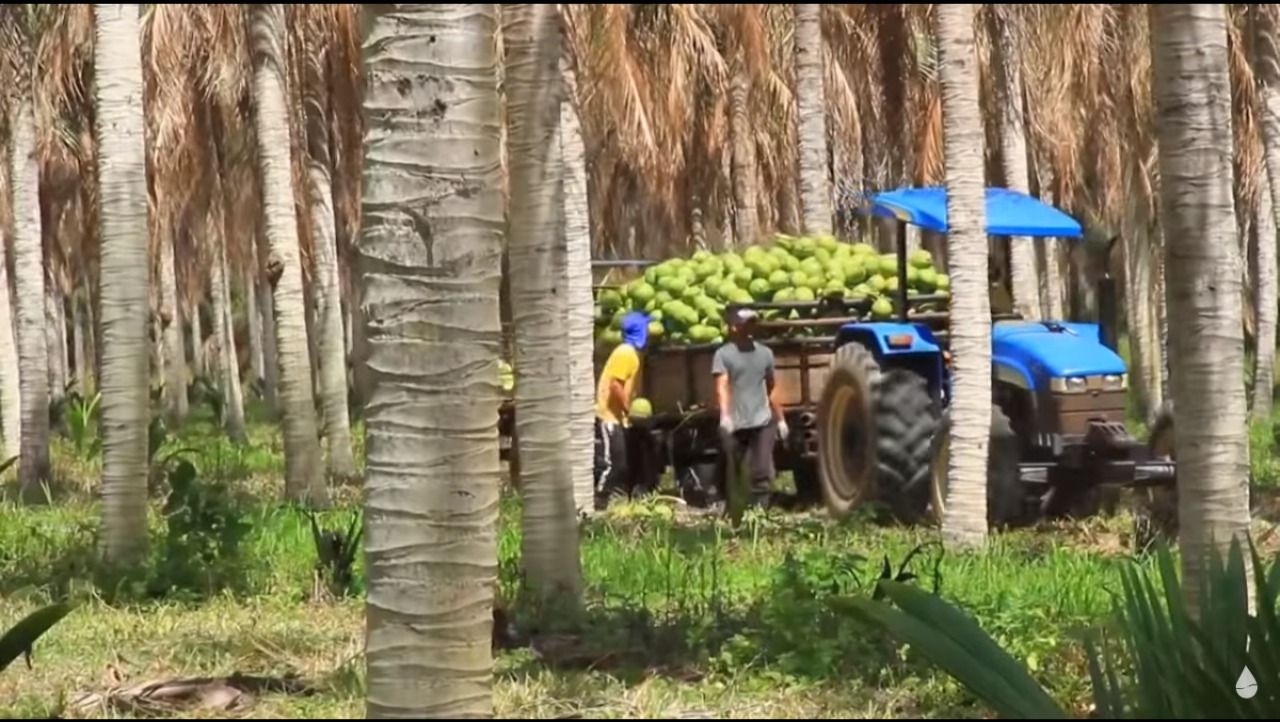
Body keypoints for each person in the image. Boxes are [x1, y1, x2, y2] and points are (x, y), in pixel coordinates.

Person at [712, 307, 789, 510]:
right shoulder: (723, 354)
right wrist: (725, 416)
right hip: (736, 422)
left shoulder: (765, 353)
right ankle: (733, 509)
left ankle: (760, 514)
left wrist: (781, 419)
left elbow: (773, 388)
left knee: (761, 471)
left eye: (752, 324)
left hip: (762, 420)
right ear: (732, 327)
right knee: (736, 468)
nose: (749, 328)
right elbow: (722, 387)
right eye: (745, 324)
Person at [594, 310, 650, 510]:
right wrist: (628, 407)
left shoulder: (635, 353)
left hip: (620, 418)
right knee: (612, 464)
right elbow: (615, 385)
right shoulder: (625, 352)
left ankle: (614, 498)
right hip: (609, 416)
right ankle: (598, 500)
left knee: (624, 463)